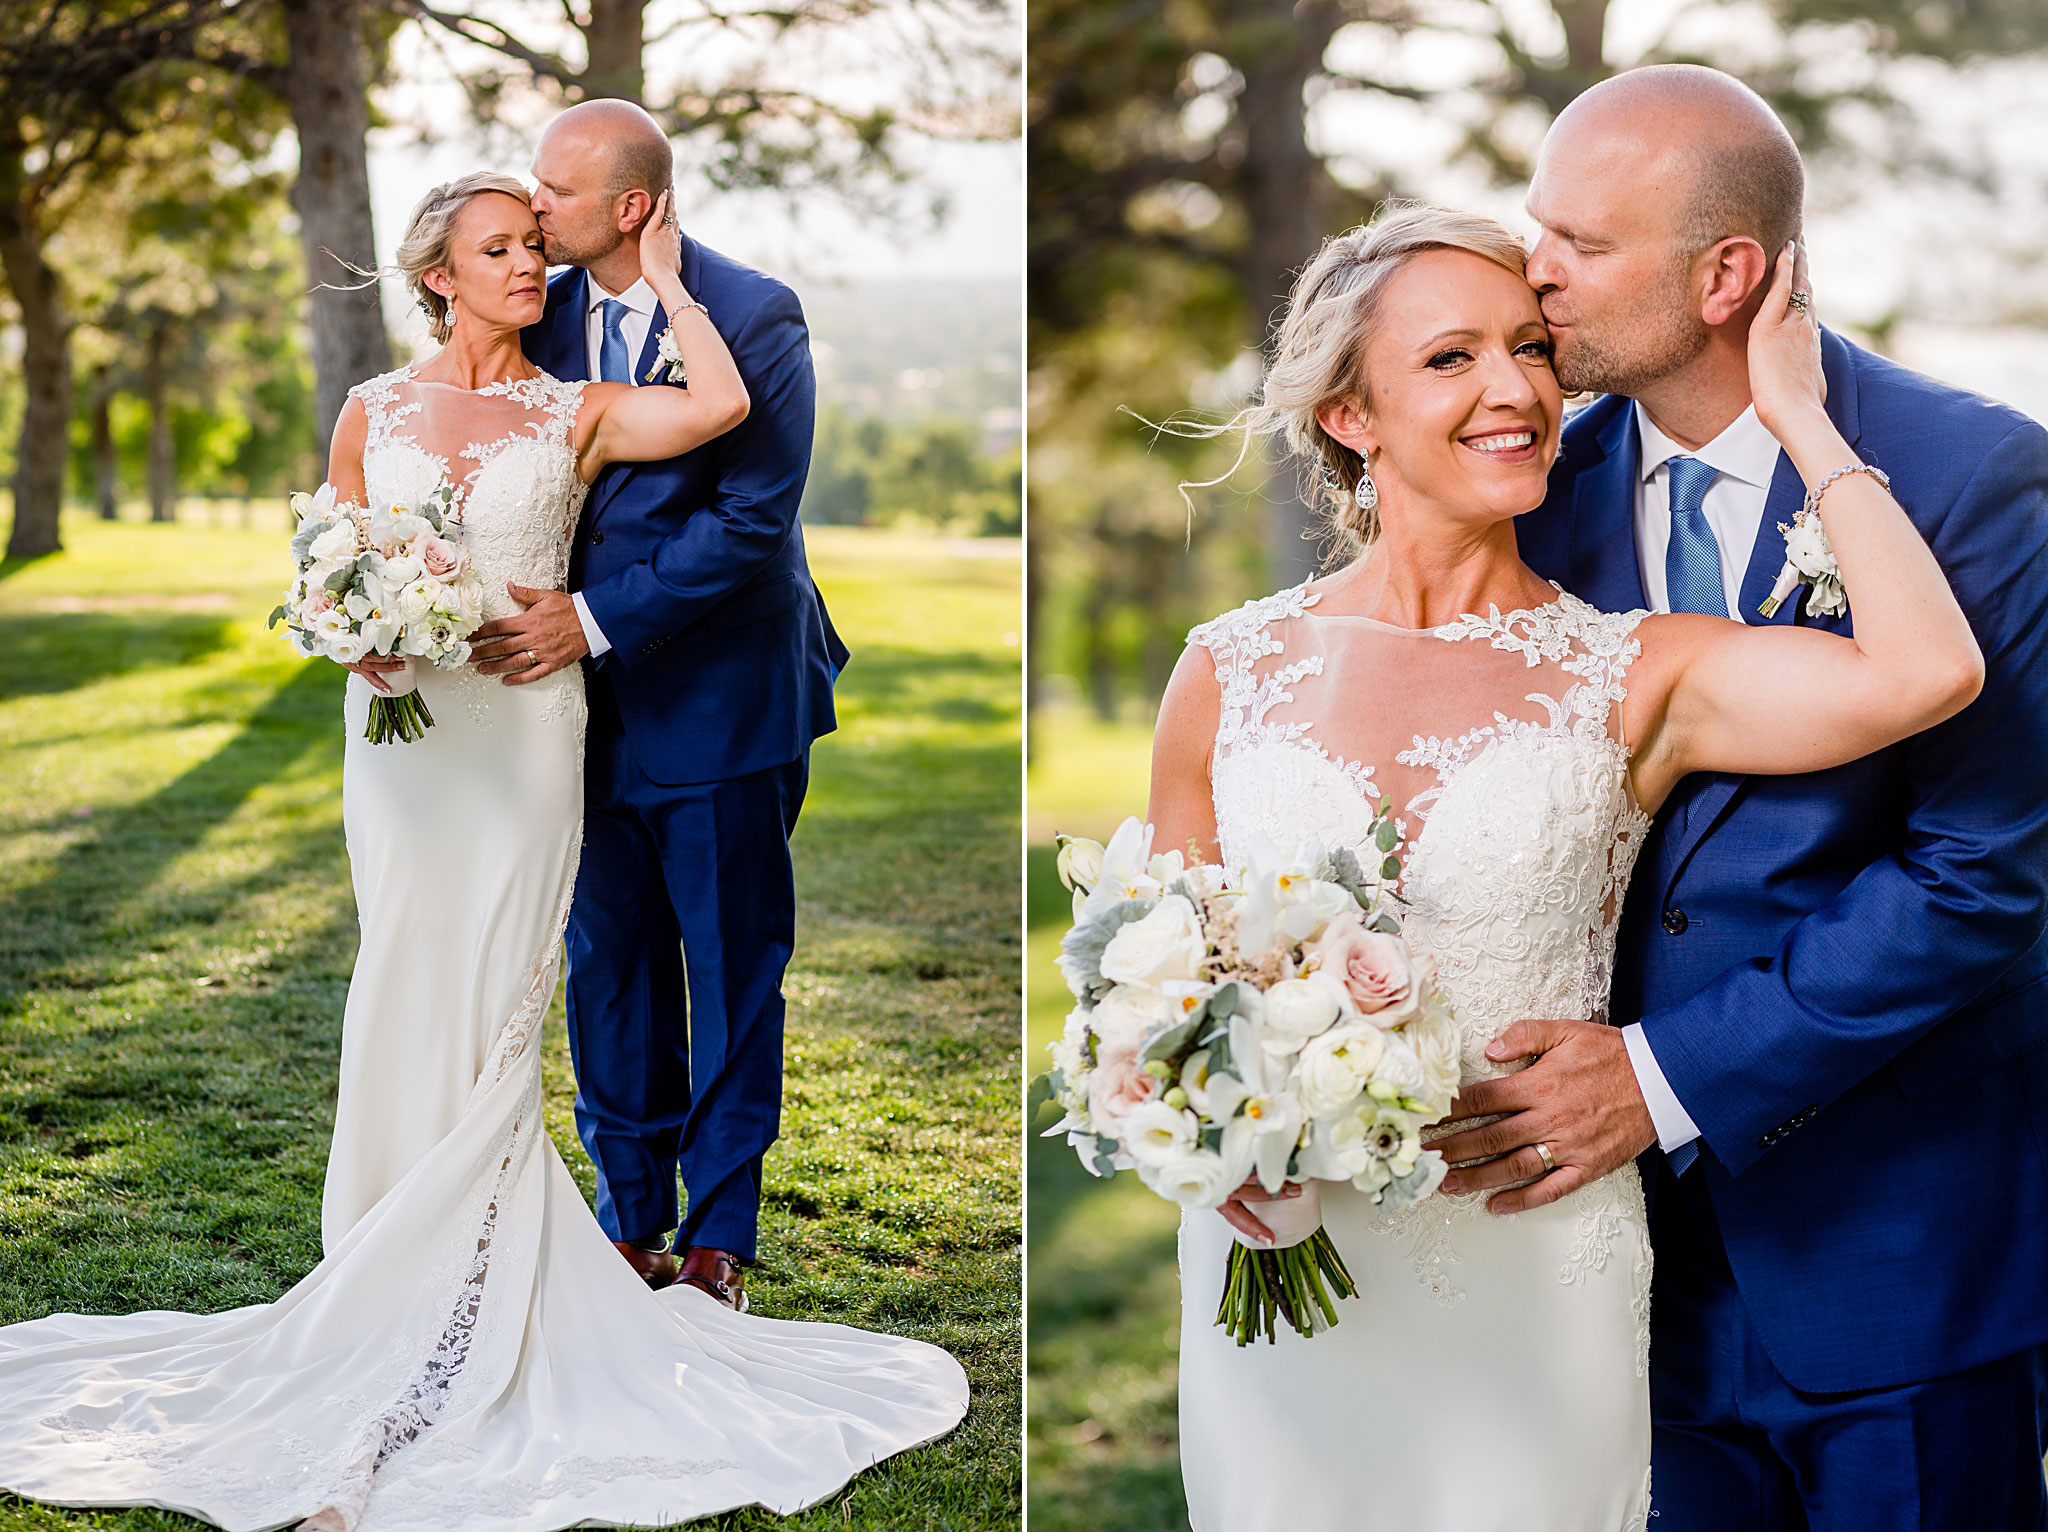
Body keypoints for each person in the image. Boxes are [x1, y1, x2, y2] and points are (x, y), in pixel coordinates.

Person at [0, 170, 966, 1531]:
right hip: (399, 735)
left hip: (521, 730)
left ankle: (537, 1268)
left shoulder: (570, 406)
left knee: (511, 992)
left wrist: (675, 273)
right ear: (437, 274)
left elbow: (725, 412)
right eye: (501, 247)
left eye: (537, 240)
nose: (532, 264)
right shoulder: (368, 409)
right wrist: (359, 631)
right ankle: (393, 1255)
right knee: (402, 973)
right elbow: (322, 563)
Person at [1146, 196, 1981, 1527]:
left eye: (1531, 348)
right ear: (1349, 417)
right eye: (1450, 359)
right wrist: (1196, 1139)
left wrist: (1800, 417)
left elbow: (1931, 672)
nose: (1517, 390)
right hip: (1281, 1263)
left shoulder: (1630, 669)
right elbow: (1164, 982)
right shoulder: (1225, 672)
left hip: (1532, 1263)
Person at [1479, 64, 2048, 1530]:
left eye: (1582, 246)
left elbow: (1982, 872)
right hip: (1607, 1273)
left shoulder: (1973, 474)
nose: (1536, 273)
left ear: (1728, 274)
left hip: (1895, 1259)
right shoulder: (1533, 488)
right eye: (1537, 228)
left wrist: (1661, 1078)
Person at [465, 98, 850, 1307]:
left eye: (556, 194)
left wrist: (586, 619)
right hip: (569, 712)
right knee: (609, 961)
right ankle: (630, 1219)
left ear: (630, 206)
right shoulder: (544, 309)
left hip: (723, 697)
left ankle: (718, 1235)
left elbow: (750, 523)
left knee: (732, 964)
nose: (535, 213)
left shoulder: (751, 313)